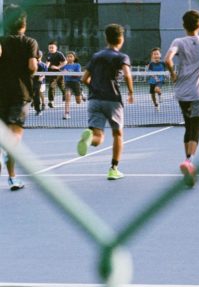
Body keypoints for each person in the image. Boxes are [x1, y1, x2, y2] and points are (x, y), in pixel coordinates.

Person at [164, 10, 199, 187]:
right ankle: (189, 161)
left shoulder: (178, 42)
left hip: (181, 92)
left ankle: (187, 161)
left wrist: (172, 73)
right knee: (196, 129)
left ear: (183, 25)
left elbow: (168, 59)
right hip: (198, 93)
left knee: (188, 126)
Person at [76, 24, 134, 181]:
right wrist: (130, 92)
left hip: (94, 100)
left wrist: (94, 88)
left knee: (98, 138)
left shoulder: (96, 56)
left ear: (106, 38)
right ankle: (114, 169)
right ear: (121, 39)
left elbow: (83, 79)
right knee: (118, 134)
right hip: (112, 100)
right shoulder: (122, 57)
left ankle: (88, 140)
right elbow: (128, 75)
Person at [0, 5, 39, 190]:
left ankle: (13, 177)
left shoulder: (1, 41)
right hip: (20, 93)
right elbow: (32, 67)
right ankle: (9, 169)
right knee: (14, 135)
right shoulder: (29, 42)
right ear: (24, 23)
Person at [61, 51, 83, 120]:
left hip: (76, 83)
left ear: (74, 58)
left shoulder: (77, 65)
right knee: (67, 97)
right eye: (68, 57)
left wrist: (69, 73)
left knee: (78, 102)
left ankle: (81, 93)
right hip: (68, 83)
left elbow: (78, 75)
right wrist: (62, 70)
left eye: (71, 56)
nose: (69, 58)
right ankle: (66, 113)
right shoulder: (65, 66)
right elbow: (59, 70)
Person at [45, 40, 66, 108]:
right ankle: (51, 101)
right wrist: (44, 69)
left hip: (59, 73)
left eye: (52, 47)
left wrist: (57, 67)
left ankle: (64, 94)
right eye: (49, 48)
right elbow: (47, 62)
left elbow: (65, 62)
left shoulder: (59, 54)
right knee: (51, 86)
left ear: (56, 48)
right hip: (52, 73)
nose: (51, 49)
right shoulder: (49, 54)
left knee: (61, 86)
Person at [32, 50, 47, 116]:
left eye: (38, 56)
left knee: (38, 94)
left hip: (40, 82)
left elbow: (43, 75)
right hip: (32, 81)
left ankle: (40, 107)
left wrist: (40, 80)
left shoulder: (43, 65)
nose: (37, 58)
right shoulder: (32, 63)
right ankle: (34, 102)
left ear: (40, 57)